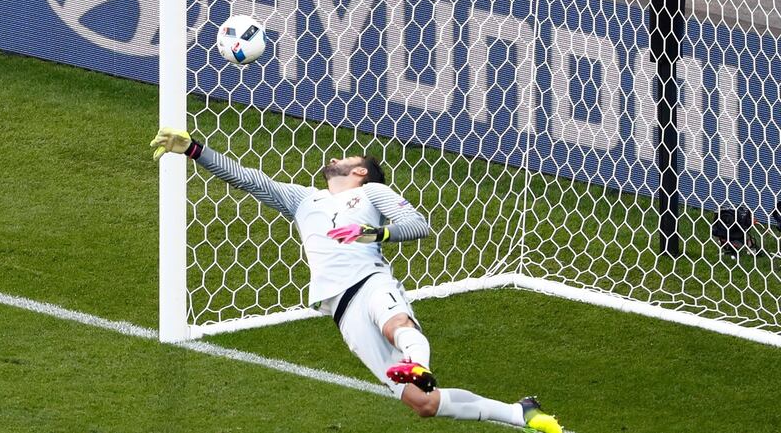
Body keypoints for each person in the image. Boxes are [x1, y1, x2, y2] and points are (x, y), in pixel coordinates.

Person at [151, 127, 563, 433]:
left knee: (395, 324)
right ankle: (520, 412)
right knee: (423, 404)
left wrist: (372, 233)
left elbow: (419, 225)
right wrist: (193, 150)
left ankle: (417, 365)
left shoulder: (371, 194)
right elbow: (247, 178)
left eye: (347, 158)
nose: (336, 158)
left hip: (369, 280)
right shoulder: (303, 199)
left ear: (361, 171)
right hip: (341, 310)